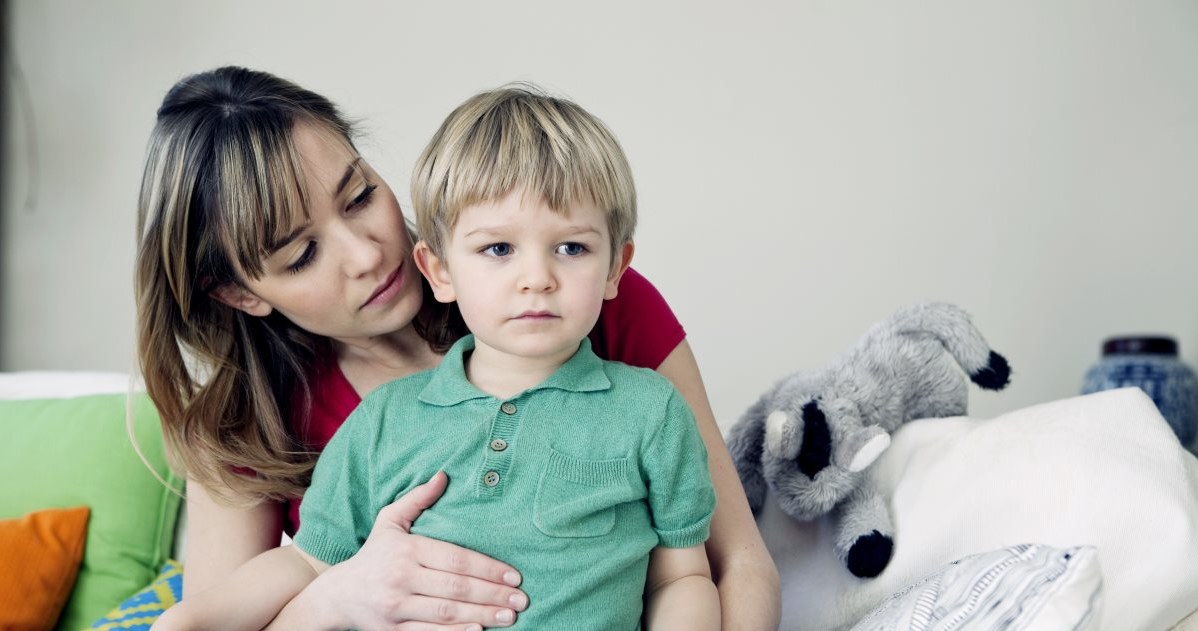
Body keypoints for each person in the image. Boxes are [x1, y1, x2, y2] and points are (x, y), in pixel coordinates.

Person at [135, 66, 779, 630]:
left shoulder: (584, 297)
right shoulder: (249, 425)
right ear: (241, 294)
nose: (366, 253)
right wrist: (338, 598)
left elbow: (736, 563)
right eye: (302, 254)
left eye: (359, 196)